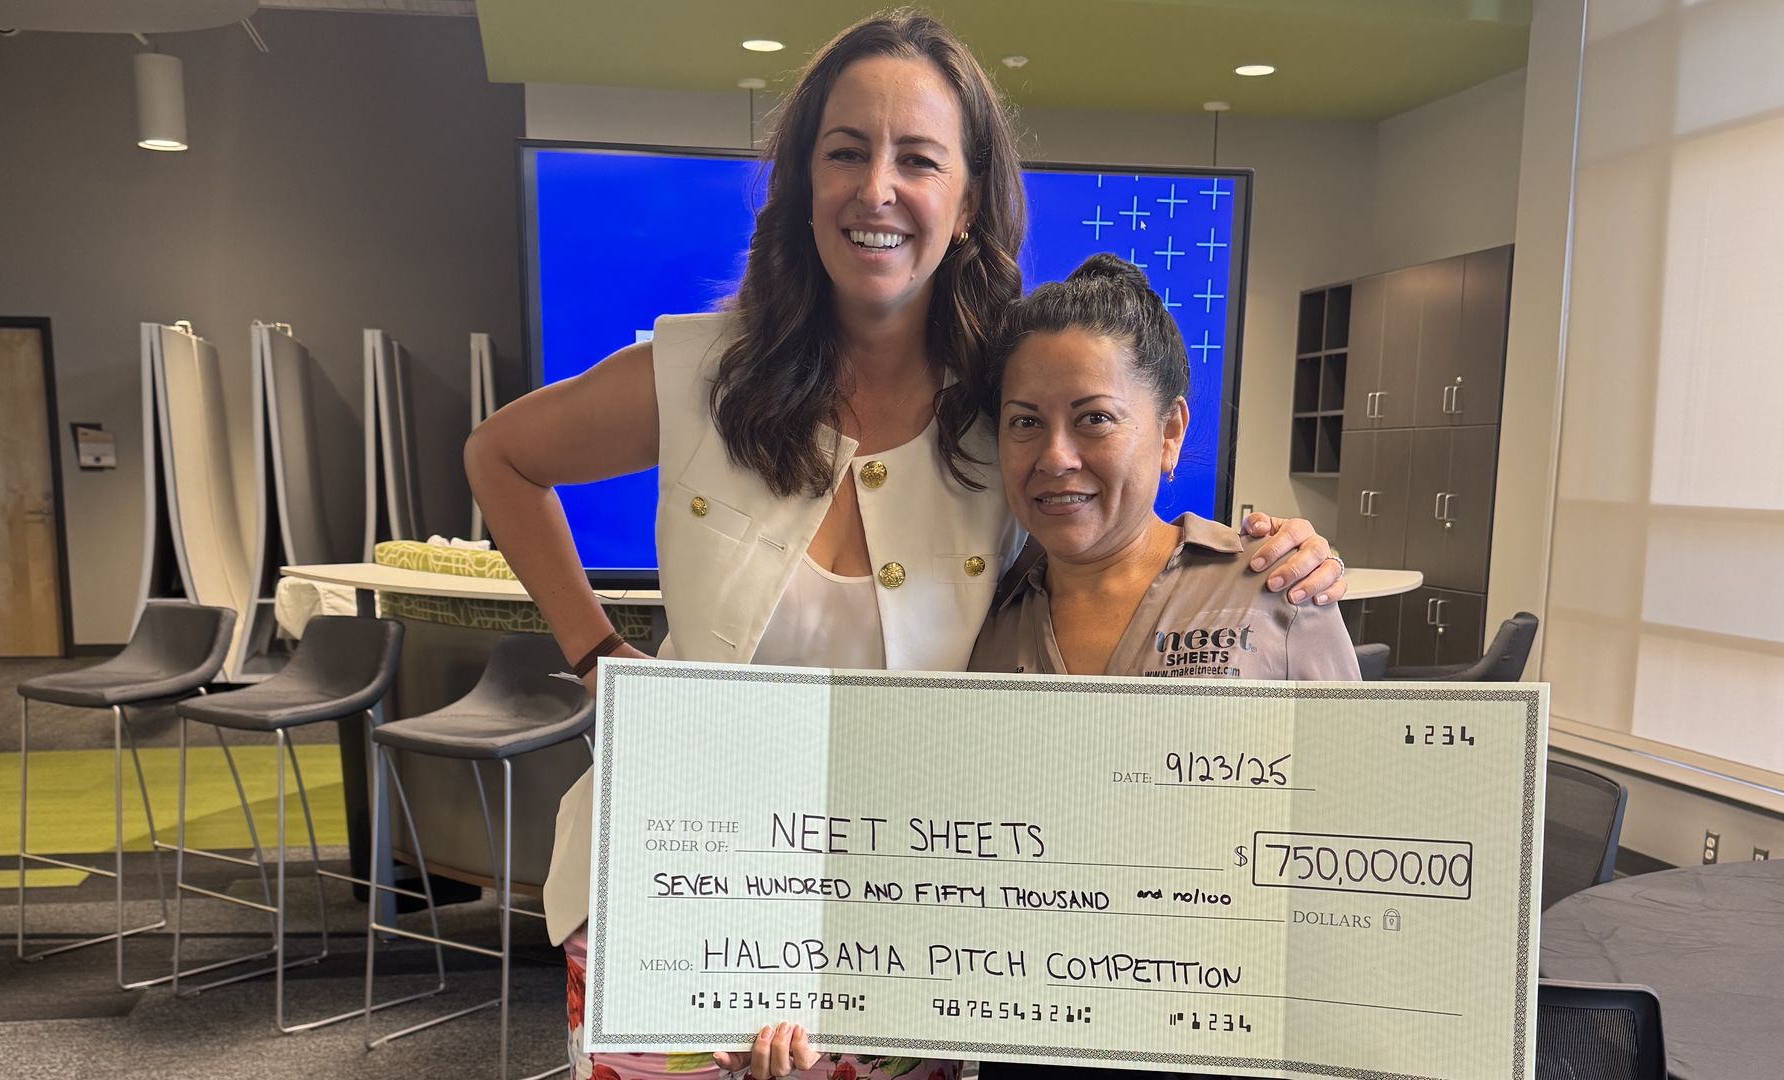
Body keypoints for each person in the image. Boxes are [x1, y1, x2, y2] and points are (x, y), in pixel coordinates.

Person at [462, 13, 1348, 1079]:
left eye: (918, 158)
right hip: (682, 898)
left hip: (904, 933)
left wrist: (1279, 552)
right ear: (803, 180)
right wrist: (599, 659)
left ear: (967, 199)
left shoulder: (1004, 404)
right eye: (845, 151)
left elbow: (1119, 529)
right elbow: (500, 458)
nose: (876, 188)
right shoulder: (700, 370)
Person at [968, 255, 1356, 1080]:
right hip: (1034, 1035)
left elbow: (1358, 842)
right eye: (1024, 422)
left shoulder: (1274, 590)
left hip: (1224, 1039)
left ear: (1171, 431)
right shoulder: (982, 620)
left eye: (1095, 419)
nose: (1055, 456)